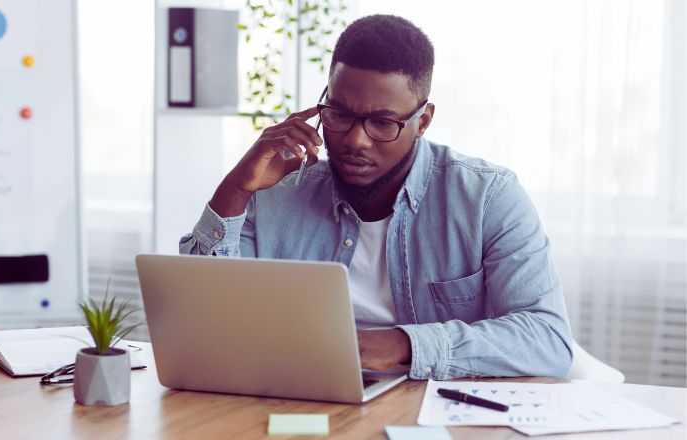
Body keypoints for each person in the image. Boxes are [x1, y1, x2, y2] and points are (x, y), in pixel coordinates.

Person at [180, 14, 573, 380]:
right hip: (295, 394)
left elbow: (547, 337)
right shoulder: (276, 189)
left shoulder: (486, 197)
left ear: (423, 121)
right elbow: (199, 320)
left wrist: (402, 344)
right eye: (338, 114)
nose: (354, 139)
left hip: (428, 407)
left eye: (382, 122)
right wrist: (235, 189)